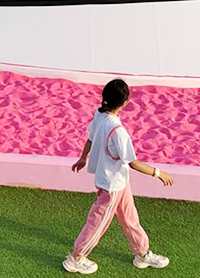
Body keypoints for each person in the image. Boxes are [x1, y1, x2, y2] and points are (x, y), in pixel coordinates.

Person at [62, 79, 173, 274]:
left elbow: (90, 138)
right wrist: (158, 173)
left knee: (130, 218)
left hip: (120, 182)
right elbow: (133, 162)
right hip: (111, 186)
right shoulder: (118, 132)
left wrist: (83, 158)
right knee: (97, 223)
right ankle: (76, 258)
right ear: (125, 102)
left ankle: (142, 253)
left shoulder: (99, 115)